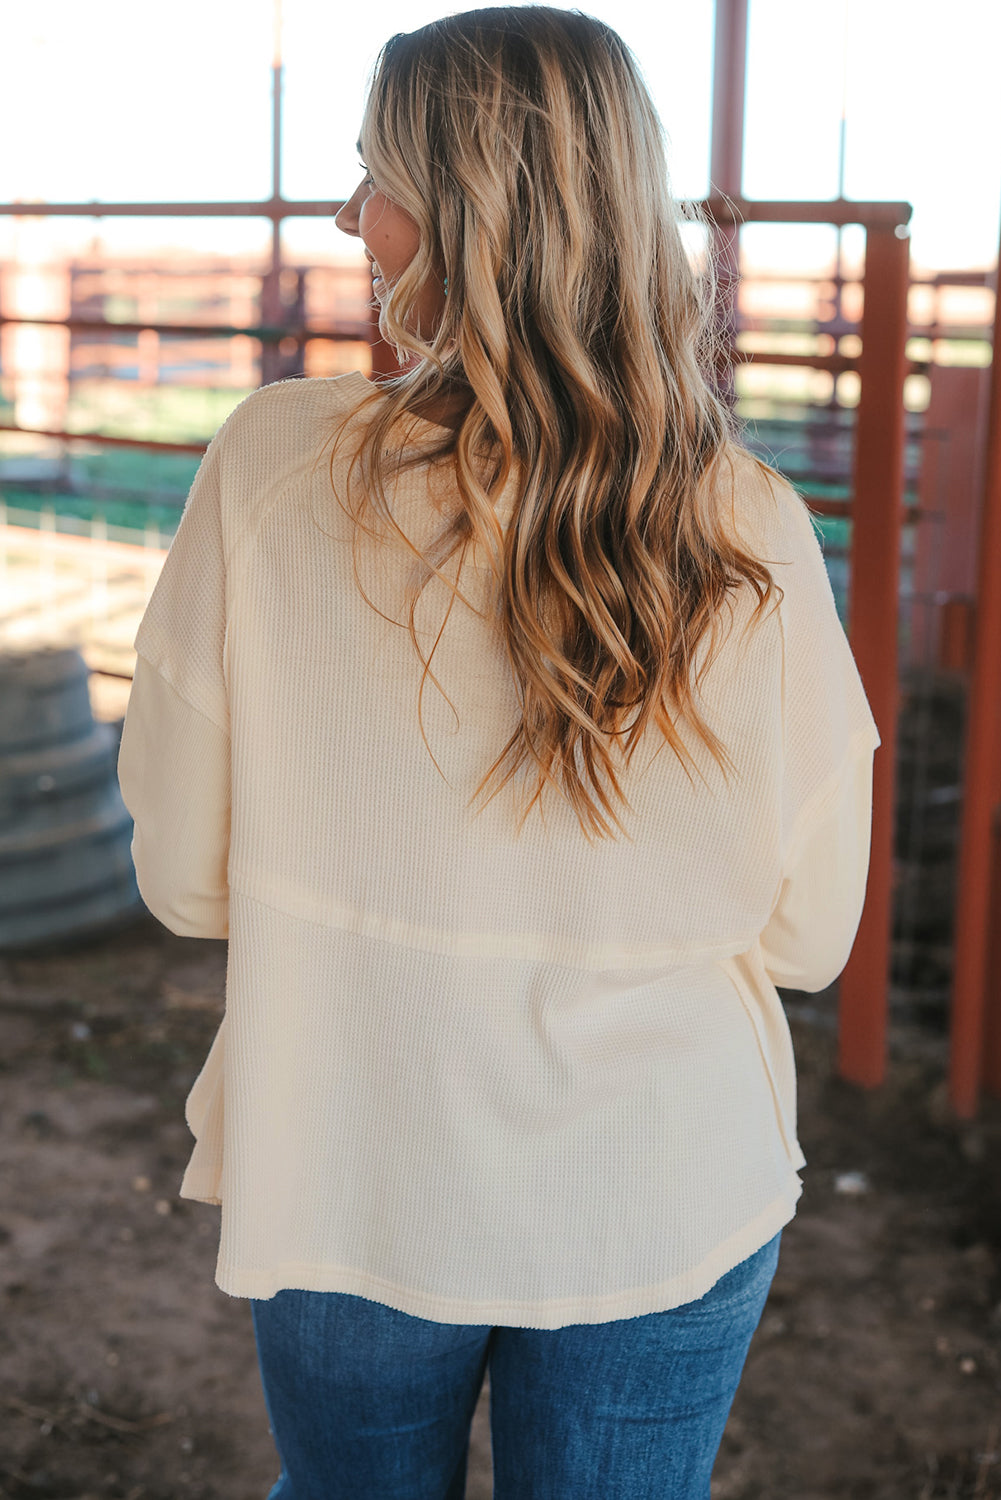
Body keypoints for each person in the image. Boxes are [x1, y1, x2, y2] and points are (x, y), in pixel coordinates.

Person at [117, 7, 881, 1497]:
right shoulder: (751, 527)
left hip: (353, 1161)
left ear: (472, 212)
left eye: (374, 175)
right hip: (662, 1192)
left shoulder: (272, 470)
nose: (351, 215)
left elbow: (186, 885)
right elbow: (808, 933)